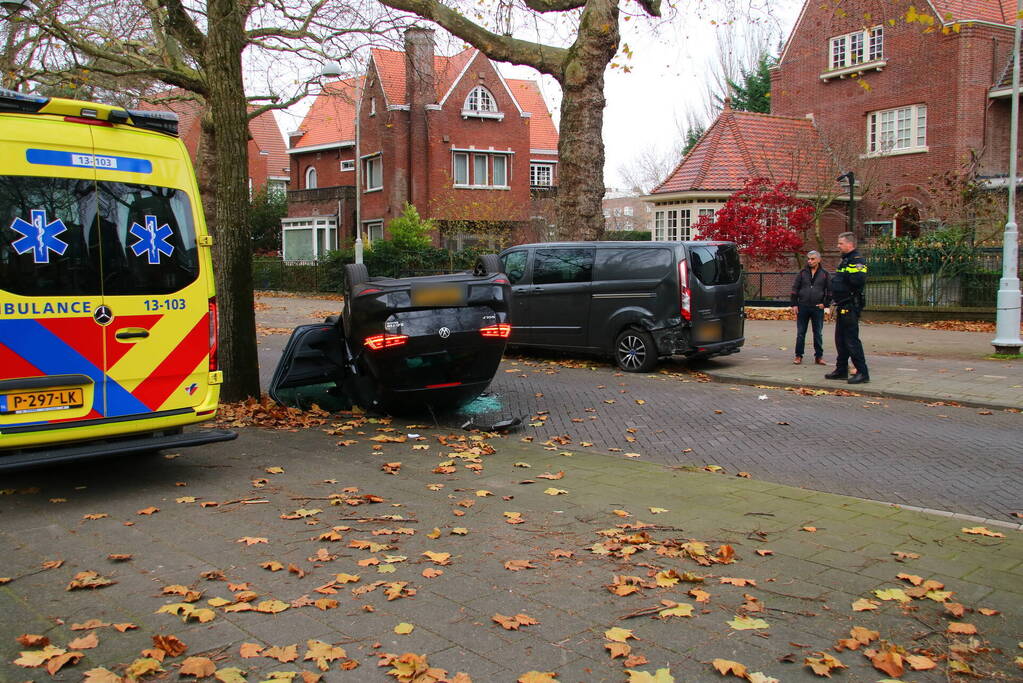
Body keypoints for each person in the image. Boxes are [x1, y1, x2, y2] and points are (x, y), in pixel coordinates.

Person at [825, 232, 869, 384]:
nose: (838, 246)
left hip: (850, 305)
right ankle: (841, 369)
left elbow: (857, 281)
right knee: (840, 340)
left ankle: (863, 372)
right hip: (842, 305)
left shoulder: (857, 261)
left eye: (840, 243)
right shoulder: (845, 260)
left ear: (850, 244)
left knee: (851, 340)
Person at [789, 250, 830, 365]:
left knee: (818, 333)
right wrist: (794, 304)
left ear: (819, 260)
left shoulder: (824, 274)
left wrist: (825, 303)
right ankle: (798, 355)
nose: (810, 261)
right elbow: (795, 288)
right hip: (803, 307)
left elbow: (830, 291)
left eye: (812, 259)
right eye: (808, 259)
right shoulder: (802, 273)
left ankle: (819, 357)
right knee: (801, 332)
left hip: (817, 307)